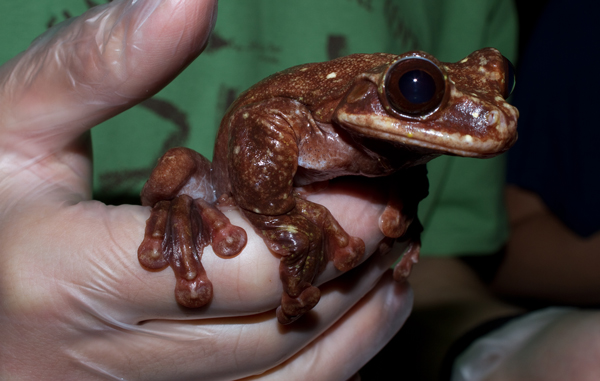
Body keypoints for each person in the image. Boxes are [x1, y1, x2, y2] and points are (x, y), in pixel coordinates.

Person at [0, 0, 519, 379]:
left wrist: (503, 350)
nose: (496, 116)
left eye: (500, 84)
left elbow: (445, 281)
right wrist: (282, 214)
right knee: (181, 168)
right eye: (417, 89)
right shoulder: (316, 120)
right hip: (219, 186)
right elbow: (264, 124)